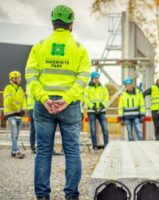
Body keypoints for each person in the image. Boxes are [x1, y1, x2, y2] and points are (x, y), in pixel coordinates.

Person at [25, 5, 91, 200]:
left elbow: (31, 75)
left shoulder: (39, 46)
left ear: (53, 22)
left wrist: (44, 99)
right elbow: (83, 78)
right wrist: (67, 99)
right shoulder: (79, 49)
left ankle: (42, 196)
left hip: (43, 106)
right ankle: (71, 196)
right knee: (72, 152)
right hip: (69, 106)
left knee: (43, 151)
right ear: (71, 24)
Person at [3, 71, 26, 159]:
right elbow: (9, 100)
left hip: (19, 115)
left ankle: (13, 151)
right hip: (11, 114)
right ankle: (17, 151)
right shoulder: (8, 88)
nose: (20, 79)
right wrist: (18, 109)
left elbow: (24, 100)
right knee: (14, 133)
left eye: (20, 78)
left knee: (16, 134)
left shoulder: (20, 89)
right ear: (13, 78)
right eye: (18, 78)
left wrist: (23, 109)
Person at [84, 71, 109, 149]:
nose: (96, 79)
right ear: (91, 79)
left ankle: (106, 145)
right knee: (93, 129)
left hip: (101, 111)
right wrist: (92, 107)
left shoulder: (103, 87)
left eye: (97, 78)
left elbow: (106, 97)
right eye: (95, 78)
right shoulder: (87, 88)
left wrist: (102, 105)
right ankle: (94, 146)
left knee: (105, 128)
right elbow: (86, 99)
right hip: (92, 111)